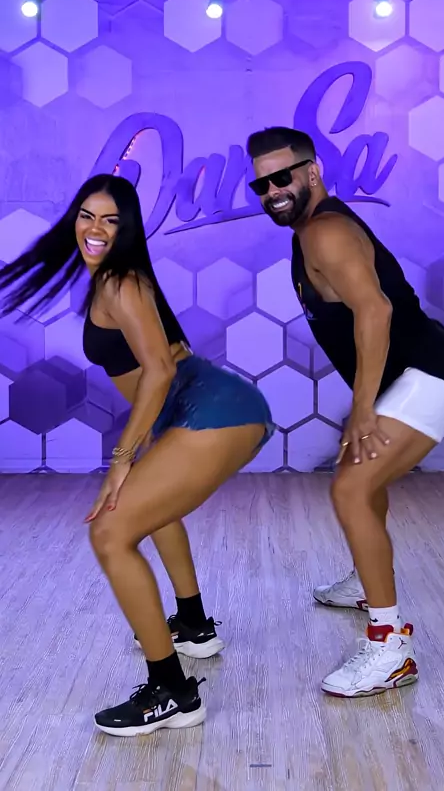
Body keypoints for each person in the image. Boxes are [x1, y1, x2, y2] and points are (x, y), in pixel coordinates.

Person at [0, 174, 274, 734]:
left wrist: (121, 458)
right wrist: (143, 445)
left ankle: (171, 692)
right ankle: (193, 624)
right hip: (199, 407)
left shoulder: (119, 280)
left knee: (109, 532)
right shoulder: (116, 278)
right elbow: (167, 361)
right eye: (87, 216)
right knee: (152, 512)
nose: (95, 229)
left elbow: (162, 368)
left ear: (126, 229)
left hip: (211, 408)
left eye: (110, 220)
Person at [246, 126, 444, 698]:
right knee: (360, 480)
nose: (273, 191)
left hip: (430, 373)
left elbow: (374, 311)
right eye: (262, 184)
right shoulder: (309, 232)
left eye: (283, 177)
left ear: (312, 171)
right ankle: (366, 582)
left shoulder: (324, 231)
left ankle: (390, 647)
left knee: (350, 487)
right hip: (411, 375)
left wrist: (364, 409)